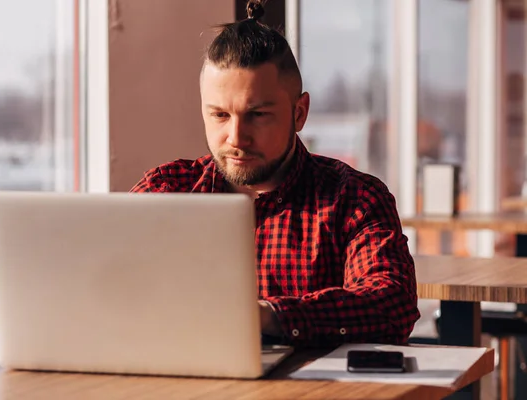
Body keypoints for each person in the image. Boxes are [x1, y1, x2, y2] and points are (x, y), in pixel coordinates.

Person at [130, 0, 420, 348]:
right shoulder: (166, 190)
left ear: (299, 113)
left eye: (258, 115)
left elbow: (391, 304)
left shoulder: (353, 198)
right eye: (220, 116)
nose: (236, 138)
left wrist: (266, 316)